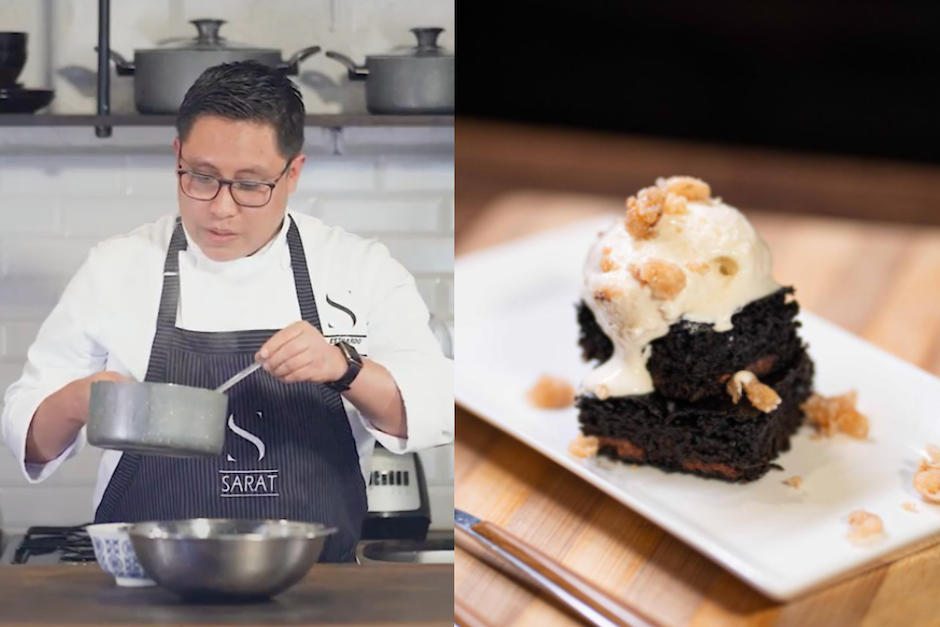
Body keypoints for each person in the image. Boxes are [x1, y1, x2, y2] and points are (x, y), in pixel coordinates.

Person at [0, 61, 453, 562]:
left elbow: (435, 408)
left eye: (250, 184)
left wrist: (344, 368)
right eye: (202, 177)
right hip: (145, 586)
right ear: (177, 155)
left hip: (316, 588)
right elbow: (32, 438)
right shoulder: (118, 266)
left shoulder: (358, 267)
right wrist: (83, 400)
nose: (221, 208)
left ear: (293, 173)